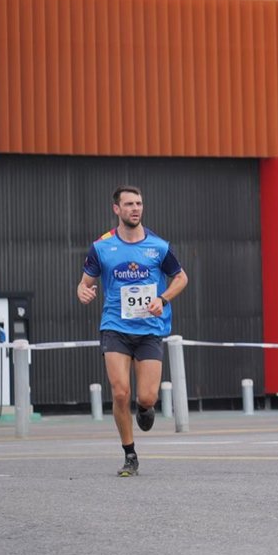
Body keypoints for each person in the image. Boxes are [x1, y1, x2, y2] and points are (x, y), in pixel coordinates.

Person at [77, 185, 188, 477]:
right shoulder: (101, 247)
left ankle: (146, 408)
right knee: (120, 392)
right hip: (115, 327)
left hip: (150, 329)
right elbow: (85, 282)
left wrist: (163, 299)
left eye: (138, 203)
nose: (135, 208)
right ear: (117, 209)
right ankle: (130, 454)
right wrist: (82, 291)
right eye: (128, 204)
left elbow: (181, 278)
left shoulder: (159, 247)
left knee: (147, 397)